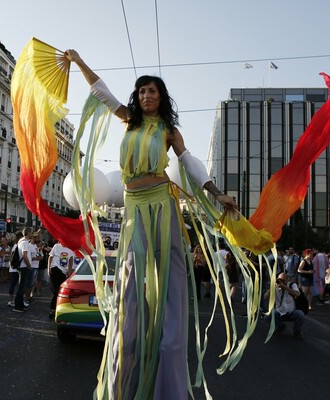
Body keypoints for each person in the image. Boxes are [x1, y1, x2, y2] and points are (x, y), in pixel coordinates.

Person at [65, 49, 237, 399]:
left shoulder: (169, 131)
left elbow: (189, 164)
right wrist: (80, 62)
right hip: (133, 208)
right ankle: (128, 345)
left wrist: (216, 194)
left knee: (171, 272)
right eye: (142, 91)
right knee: (129, 272)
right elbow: (102, 92)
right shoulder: (128, 119)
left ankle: (169, 349)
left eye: (152, 91)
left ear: (161, 97)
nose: (146, 96)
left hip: (161, 204)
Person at [263, 272, 305, 339]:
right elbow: (265, 297)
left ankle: (297, 332)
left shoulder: (292, 285)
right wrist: (272, 287)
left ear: (287, 280)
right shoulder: (275, 287)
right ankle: (281, 326)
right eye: (280, 280)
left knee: (300, 314)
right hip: (279, 312)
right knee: (267, 316)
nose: (281, 282)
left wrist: (284, 287)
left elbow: (297, 294)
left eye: (283, 280)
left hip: (291, 312)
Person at [48, 240, 75, 318]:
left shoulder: (70, 249)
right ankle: (52, 309)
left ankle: (58, 307)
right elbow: (50, 257)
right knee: (56, 290)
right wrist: (48, 268)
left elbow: (70, 259)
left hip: (63, 271)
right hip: (54, 268)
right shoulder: (56, 246)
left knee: (60, 290)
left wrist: (69, 271)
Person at [13, 228, 33, 313]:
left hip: (22, 267)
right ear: (28, 233)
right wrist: (29, 265)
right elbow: (25, 255)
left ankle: (20, 305)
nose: (32, 234)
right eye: (31, 233)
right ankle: (17, 306)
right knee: (21, 287)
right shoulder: (24, 243)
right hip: (23, 267)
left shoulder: (22, 241)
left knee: (22, 287)